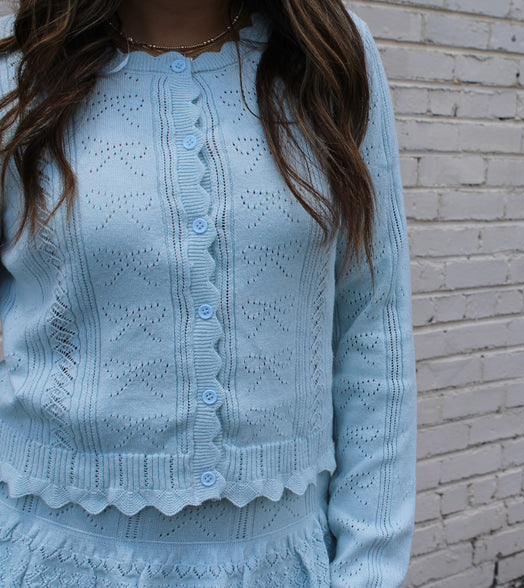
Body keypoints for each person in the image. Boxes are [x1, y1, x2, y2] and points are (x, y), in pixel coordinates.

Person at [0, 0, 417, 586]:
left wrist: (368, 572)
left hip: (278, 565)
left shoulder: (331, 59)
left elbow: (374, 332)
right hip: (51, 561)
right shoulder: (18, 73)